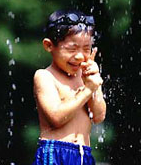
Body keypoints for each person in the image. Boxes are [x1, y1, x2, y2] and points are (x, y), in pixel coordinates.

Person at [32, 9, 106, 165]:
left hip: (83, 154)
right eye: (72, 49)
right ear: (49, 45)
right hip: (55, 152)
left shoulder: (85, 76)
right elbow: (56, 118)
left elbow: (98, 116)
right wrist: (87, 90)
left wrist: (95, 85)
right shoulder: (45, 76)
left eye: (86, 49)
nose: (80, 56)